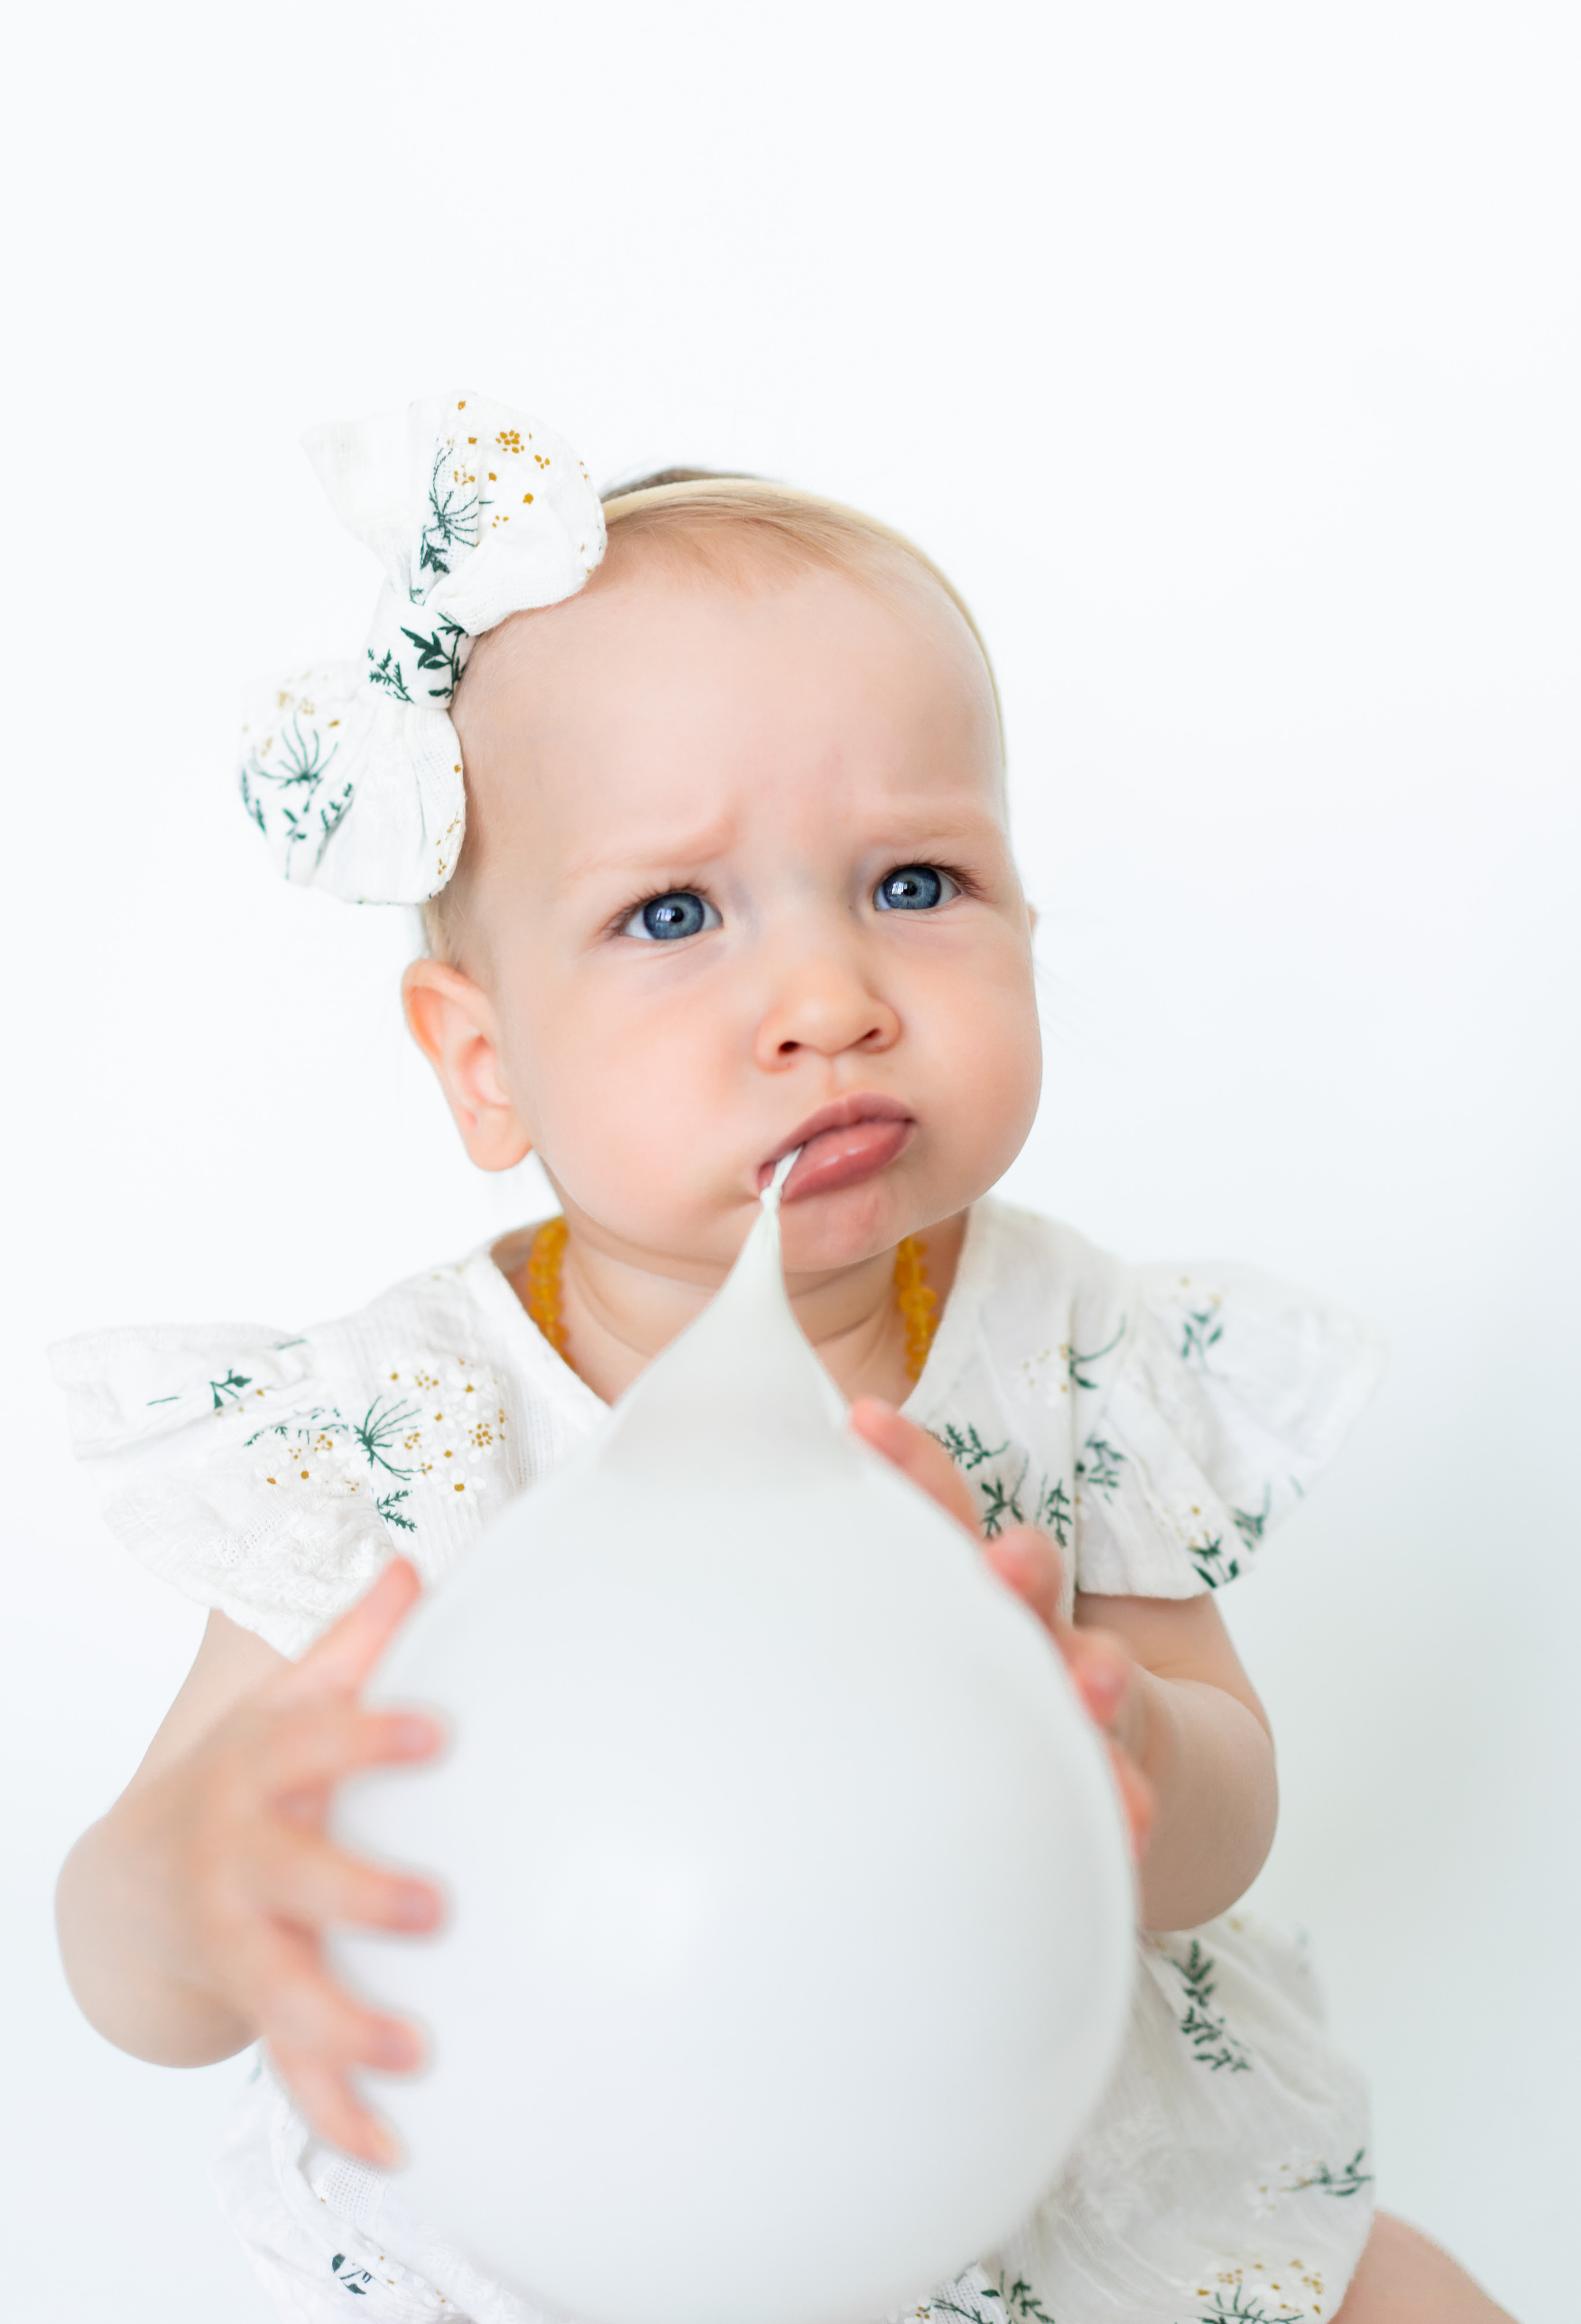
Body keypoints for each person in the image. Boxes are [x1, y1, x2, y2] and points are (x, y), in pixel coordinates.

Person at [52, 396, 1513, 2323]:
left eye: (917, 885)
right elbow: (123, 1967)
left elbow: (1216, 1836)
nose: (829, 1000)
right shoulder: (405, 1428)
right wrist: (200, 1882)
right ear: (482, 1060)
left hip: (1057, 2183)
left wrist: (1131, 1749)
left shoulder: (1066, 1342)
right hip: (579, 2225)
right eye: (673, 913)